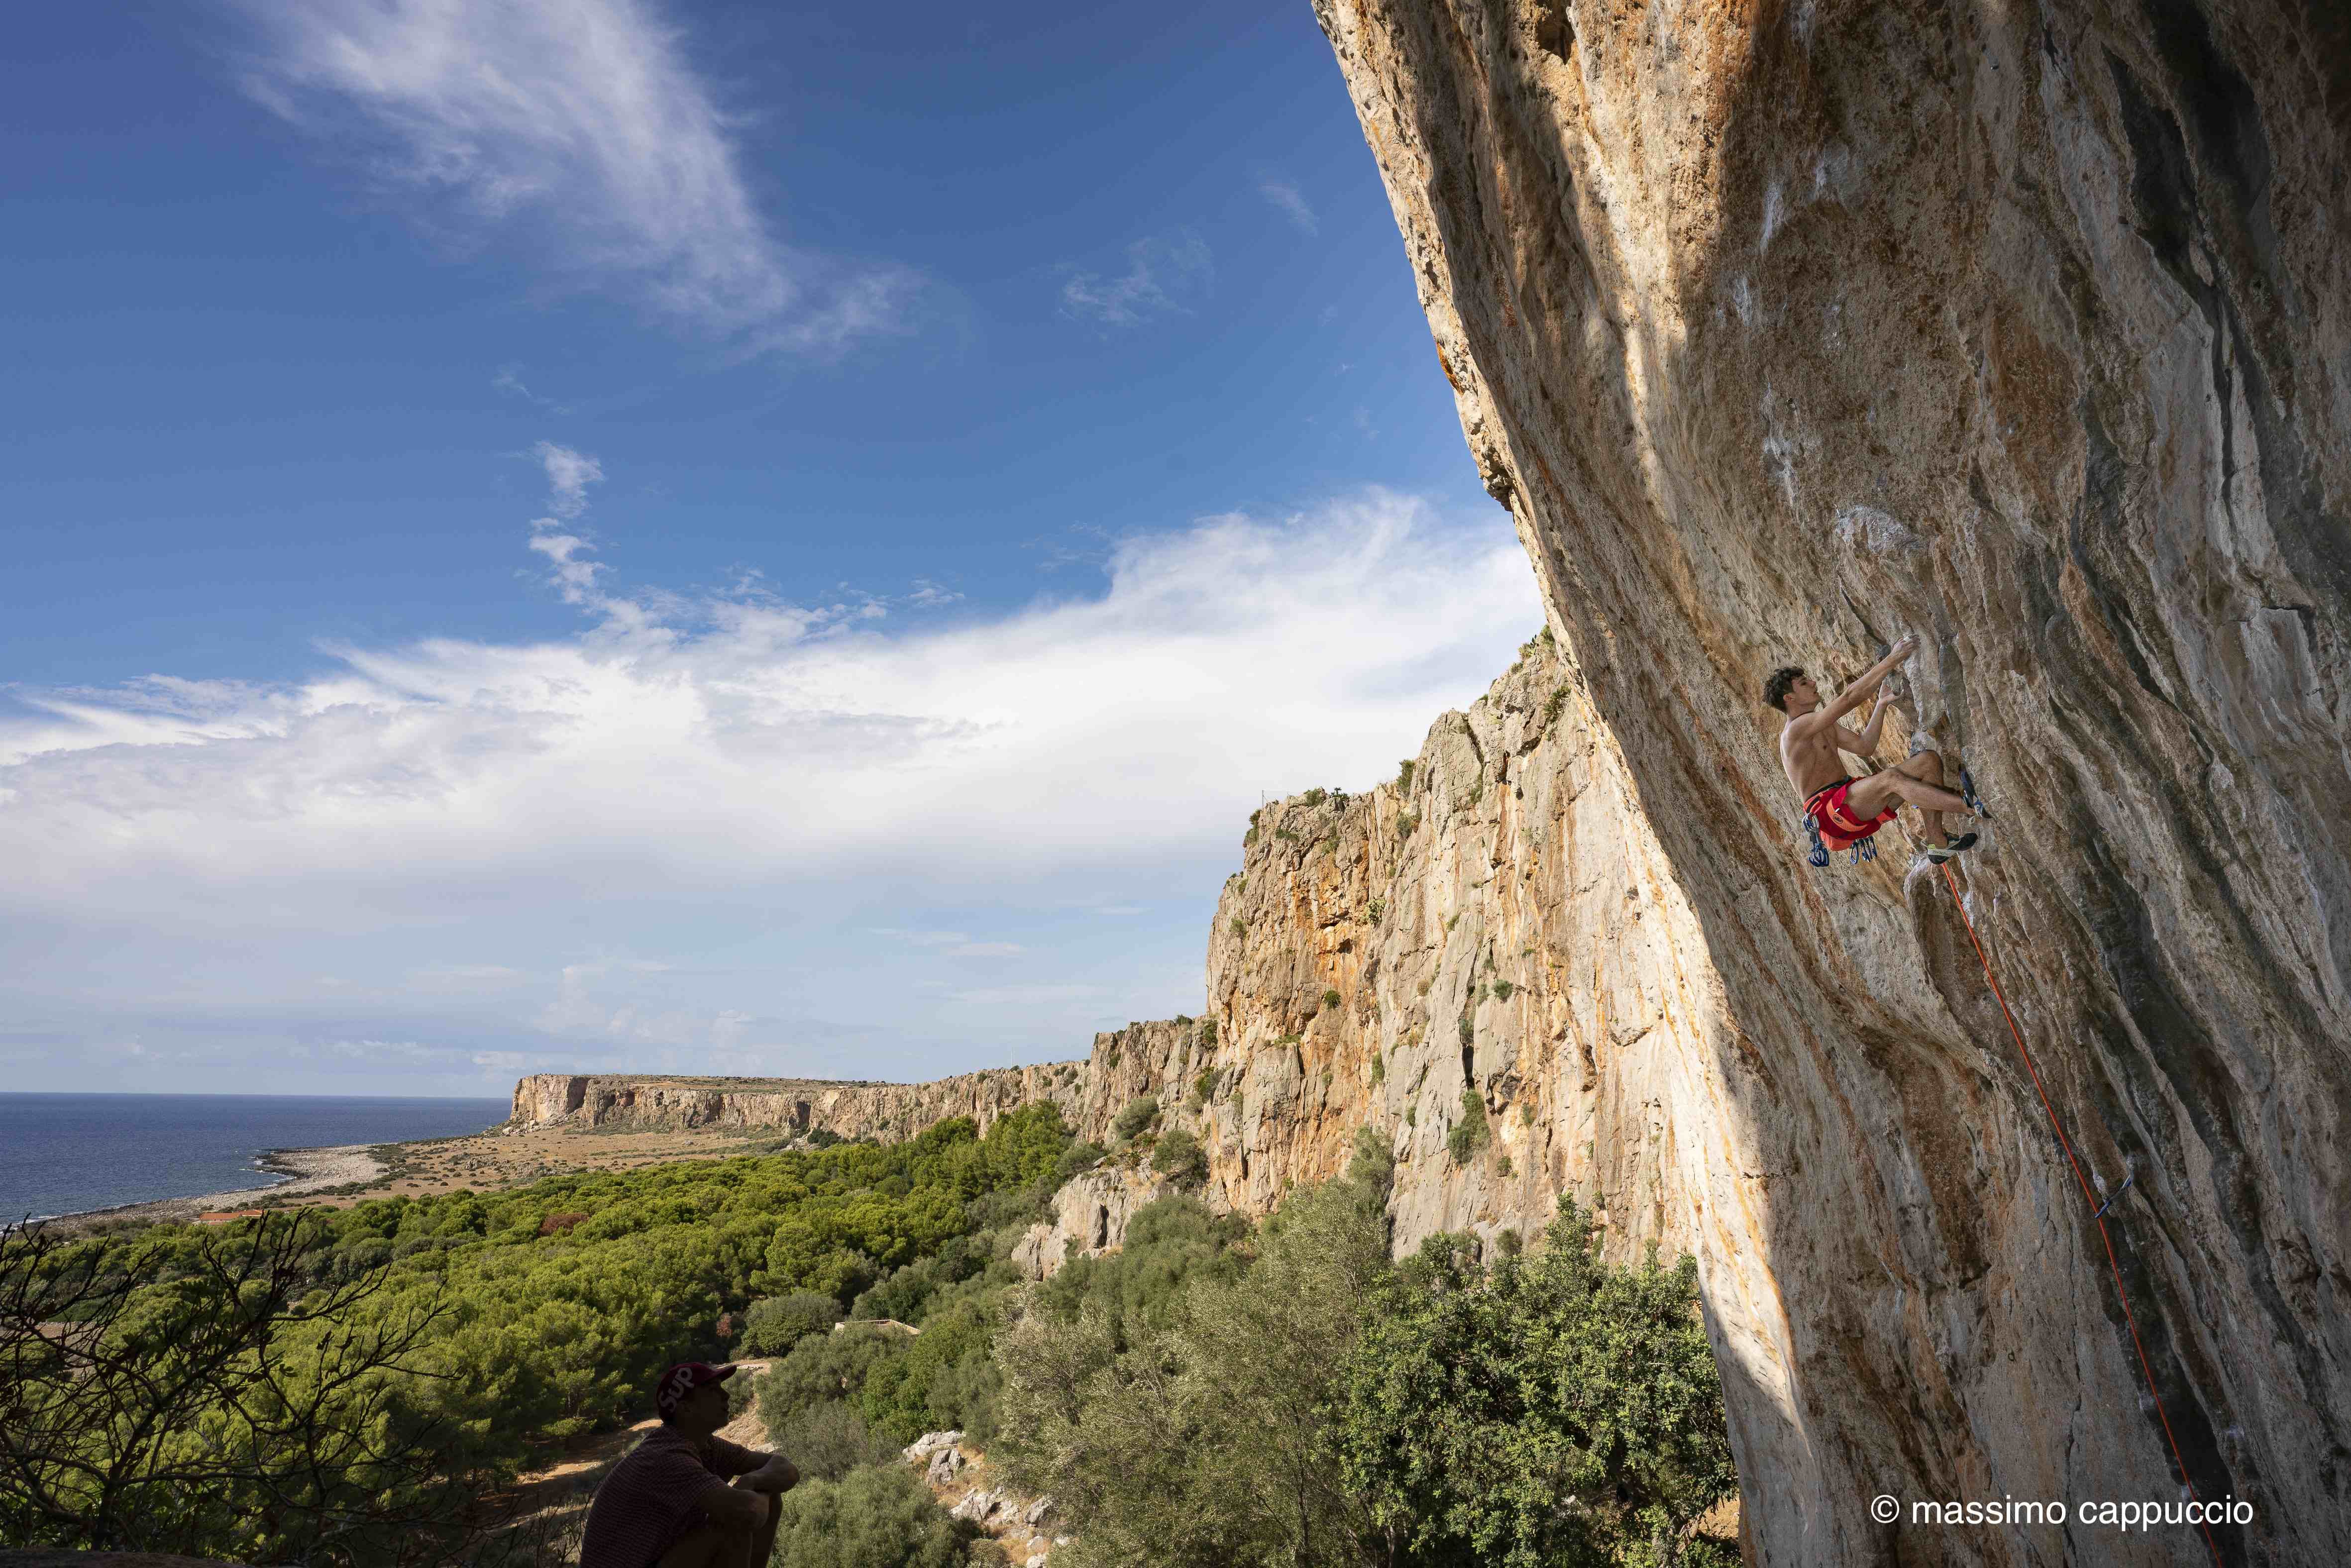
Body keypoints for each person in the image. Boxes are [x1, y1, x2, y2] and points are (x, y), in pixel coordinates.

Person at [1764, 636, 1978, 862]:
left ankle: (1938, 844)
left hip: (1852, 803)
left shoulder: (1821, 726)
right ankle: (1968, 806)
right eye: (1805, 684)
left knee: (1928, 762)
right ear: (1790, 698)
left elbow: (1865, 747)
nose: (1814, 683)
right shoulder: (1795, 730)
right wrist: (1893, 659)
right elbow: (1849, 698)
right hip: (1832, 813)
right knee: (1891, 779)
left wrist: (1881, 704)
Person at [579, 1361, 799, 1568]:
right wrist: (751, 1489)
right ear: (686, 1409)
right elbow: (749, 1512)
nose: (726, 1395)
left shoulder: (705, 1444)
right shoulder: (666, 1458)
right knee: (733, 1523)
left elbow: (787, 1469)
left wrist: (753, 1480)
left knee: (768, 1490)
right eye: (713, 1390)